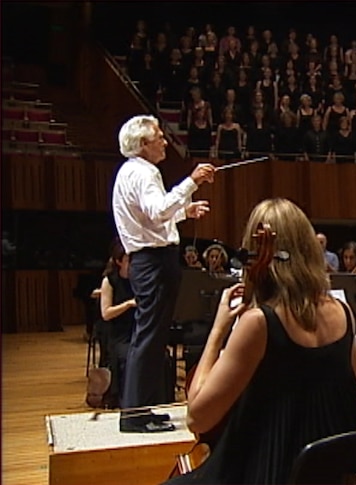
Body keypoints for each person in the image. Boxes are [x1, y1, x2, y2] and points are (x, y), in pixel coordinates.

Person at [165, 198, 356, 484]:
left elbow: (198, 419)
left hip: (275, 471)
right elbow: (350, 384)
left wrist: (218, 330)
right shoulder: (344, 313)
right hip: (331, 472)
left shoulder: (259, 323)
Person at [112, 115, 215, 433]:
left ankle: (141, 409)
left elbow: (152, 220)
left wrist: (185, 211)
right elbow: (157, 212)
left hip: (148, 260)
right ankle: (135, 416)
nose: (165, 141)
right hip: (154, 263)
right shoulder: (144, 173)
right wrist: (193, 180)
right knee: (149, 339)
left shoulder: (130, 171)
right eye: (159, 136)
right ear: (143, 144)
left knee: (151, 338)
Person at [99, 241, 136, 407]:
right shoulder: (109, 281)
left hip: (135, 330)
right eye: (129, 260)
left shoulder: (137, 280)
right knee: (131, 356)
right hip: (117, 334)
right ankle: (125, 399)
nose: (133, 264)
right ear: (119, 261)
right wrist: (128, 304)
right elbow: (106, 314)